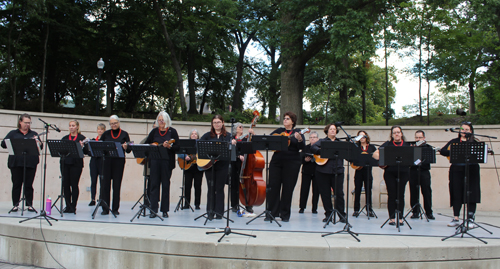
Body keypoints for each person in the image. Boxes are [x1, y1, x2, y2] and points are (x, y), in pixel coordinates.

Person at [440, 122, 480, 228]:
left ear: (471, 131)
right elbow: (443, 151)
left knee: (471, 192)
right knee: (456, 192)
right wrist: (453, 152)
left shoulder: (475, 142)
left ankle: (471, 218)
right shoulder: (454, 142)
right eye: (462, 129)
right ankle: (456, 217)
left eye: (467, 129)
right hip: (457, 169)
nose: (464, 131)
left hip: (472, 170)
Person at [267, 112, 305, 222]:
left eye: (287, 119)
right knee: (273, 187)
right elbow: (269, 140)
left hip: (292, 162)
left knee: (287, 188)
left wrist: (299, 140)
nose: (285, 120)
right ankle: (272, 213)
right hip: (277, 162)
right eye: (284, 118)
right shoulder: (279, 131)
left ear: (293, 121)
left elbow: (301, 147)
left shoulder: (298, 132)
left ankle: (285, 214)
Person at [1, 114, 41, 212]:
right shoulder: (13, 133)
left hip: (30, 162)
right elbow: (3, 144)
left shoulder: (33, 133)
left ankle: (29, 204)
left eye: (29, 123)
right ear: (20, 122)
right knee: (16, 184)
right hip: (16, 162)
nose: (27, 125)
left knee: (28, 184)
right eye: (25, 122)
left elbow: (40, 147)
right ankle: (15, 204)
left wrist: (37, 142)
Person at [199, 115, 236, 219]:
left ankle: (219, 213)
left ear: (223, 123)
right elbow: (198, 146)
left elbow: (232, 152)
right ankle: (210, 212)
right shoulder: (207, 136)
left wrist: (232, 144)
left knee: (219, 188)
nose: (216, 124)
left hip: (222, 166)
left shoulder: (228, 136)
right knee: (211, 188)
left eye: (218, 122)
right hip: (210, 166)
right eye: (214, 122)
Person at [373, 126, 410, 226]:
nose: (396, 134)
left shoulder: (407, 145)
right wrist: (384, 160)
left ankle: (401, 218)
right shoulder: (387, 144)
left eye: (398, 132)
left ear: (401, 133)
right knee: (392, 195)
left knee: (400, 195)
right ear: (392, 135)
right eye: (394, 133)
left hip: (403, 172)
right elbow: (375, 154)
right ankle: (392, 218)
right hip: (390, 172)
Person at [144, 111, 180, 218]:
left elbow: (177, 147)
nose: (161, 122)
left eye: (163, 120)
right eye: (159, 120)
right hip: (154, 161)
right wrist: (151, 145)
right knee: (154, 185)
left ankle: (164, 210)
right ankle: (153, 209)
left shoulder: (172, 132)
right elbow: (147, 143)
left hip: (166, 162)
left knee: (165, 185)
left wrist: (169, 147)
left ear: (167, 121)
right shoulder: (154, 131)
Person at [311, 123, 346, 222]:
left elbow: (347, 154)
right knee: (325, 194)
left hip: (338, 171)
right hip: (323, 171)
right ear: (327, 131)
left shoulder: (340, 143)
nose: (333, 130)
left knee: (339, 194)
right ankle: (328, 214)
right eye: (331, 129)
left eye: (334, 129)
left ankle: (341, 214)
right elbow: (313, 148)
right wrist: (322, 152)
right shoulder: (322, 141)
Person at [99, 115, 131, 215]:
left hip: (119, 162)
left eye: (115, 123)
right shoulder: (106, 134)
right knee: (105, 186)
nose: (113, 125)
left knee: (116, 186)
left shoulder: (124, 134)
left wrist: (126, 147)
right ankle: (105, 208)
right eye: (112, 123)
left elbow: (130, 150)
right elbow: (100, 146)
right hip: (107, 161)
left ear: (119, 123)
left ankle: (115, 209)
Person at [59, 120, 87, 214]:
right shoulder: (65, 138)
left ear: (77, 127)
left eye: (73, 125)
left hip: (76, 164)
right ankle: (67, 206)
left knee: (74, 184)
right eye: (70, 125)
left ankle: (73, 206)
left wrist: (82, 146)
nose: (71, 127)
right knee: (65, 184)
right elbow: (61, 151)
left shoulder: (82, 138)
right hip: (65, 163)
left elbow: (87, 151)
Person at [409, 130, 434, 220]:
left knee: (426, 192)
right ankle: (415, 212)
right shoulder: (411, 147)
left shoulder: (428, 148)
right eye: (416, 137)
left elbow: (429, 161)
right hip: (413, 171)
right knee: (413, 192)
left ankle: (429, 212)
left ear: (424, 138)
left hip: (424, 172)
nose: (418, 139)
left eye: (420, 137)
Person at [352, 130, 377, 217]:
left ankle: (369, 210)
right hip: (358, 171)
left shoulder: (372, 147)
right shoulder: (356, 147)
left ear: (366, 137)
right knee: (357, 190)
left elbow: (375, 157)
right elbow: (352, 158)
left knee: (368, 190)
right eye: (360, 136)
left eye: (363, 136)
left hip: (368, 171)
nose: (362, 138)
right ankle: (356, 209)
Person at [178, 129, 203, 210]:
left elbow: (202, 153)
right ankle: (186, 204)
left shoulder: (200, 144)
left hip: (198, 167)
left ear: (198, 136)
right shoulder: (186, 143)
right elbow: (179, 152)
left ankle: (197, 204)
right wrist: (185, 156)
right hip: (188, 167)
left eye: (195, 134)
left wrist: (194, 157)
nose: (194, 135)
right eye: (192, 134)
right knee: (187, 186)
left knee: (198, 186)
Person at [299, 131, 319, 214]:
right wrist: (305, 160)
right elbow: (300, 158)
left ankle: (314, 208)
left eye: (314, 137)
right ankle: (302, 207)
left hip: (317, 171)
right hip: (306, 171)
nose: (312, 139)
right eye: (311, 137)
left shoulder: (320, 148)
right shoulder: (305, 147)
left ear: (317, 139)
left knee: (316, 191)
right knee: (304, 189)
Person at [88, 123, 106, 206]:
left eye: (102, 129)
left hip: (102, 161)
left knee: (102, 181)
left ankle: (101, 198)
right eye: (98, 129)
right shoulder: (93, 140)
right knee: (93, 180)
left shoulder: (105, 141)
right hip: (94, 161)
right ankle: (92, 199)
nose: (100, 131)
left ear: (104, 130)